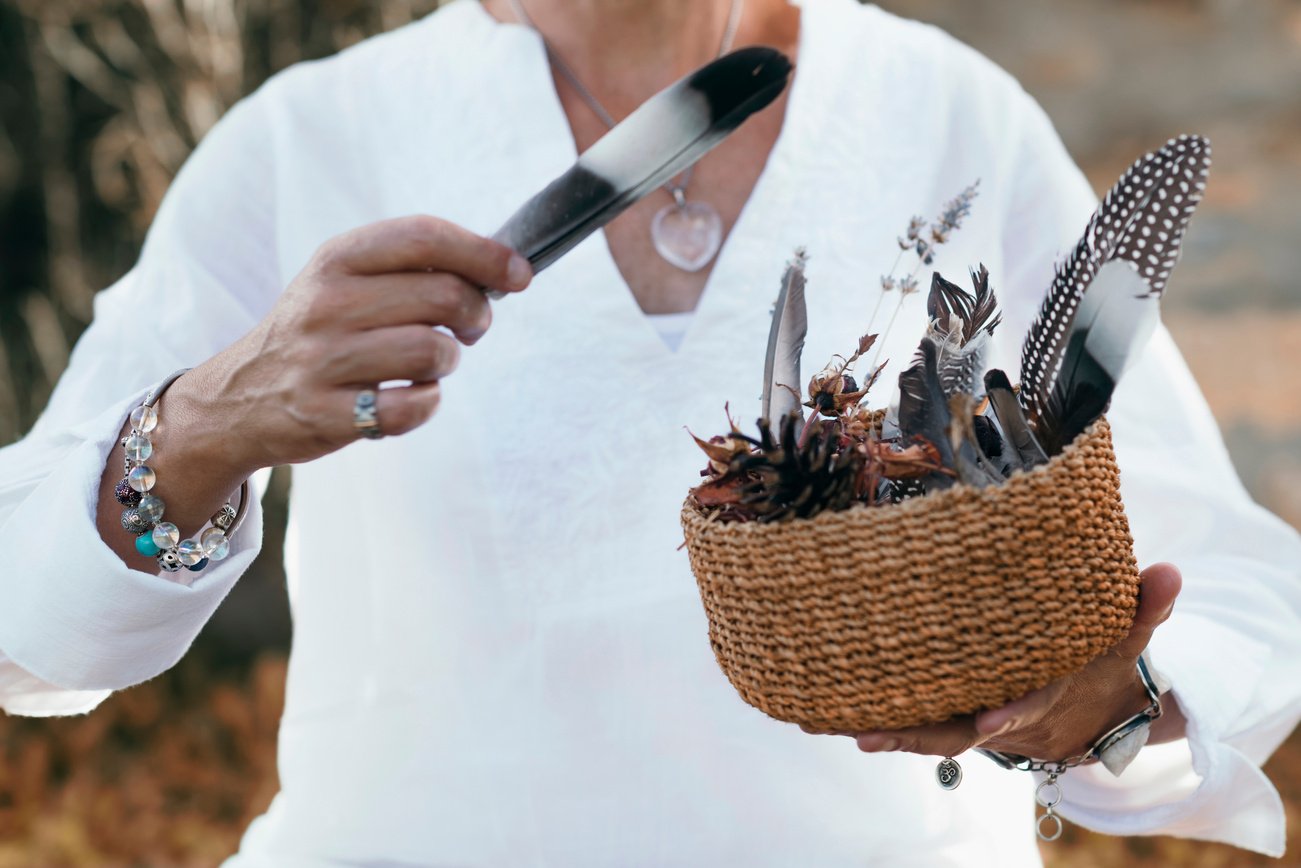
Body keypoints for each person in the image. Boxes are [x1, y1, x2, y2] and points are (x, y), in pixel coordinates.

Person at [1, 0, 1298, 863]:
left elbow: (1231, 586)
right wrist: (208, 421)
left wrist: (1106, 704)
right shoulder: (309, 141)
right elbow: (27, 628)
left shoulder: (944, 115)